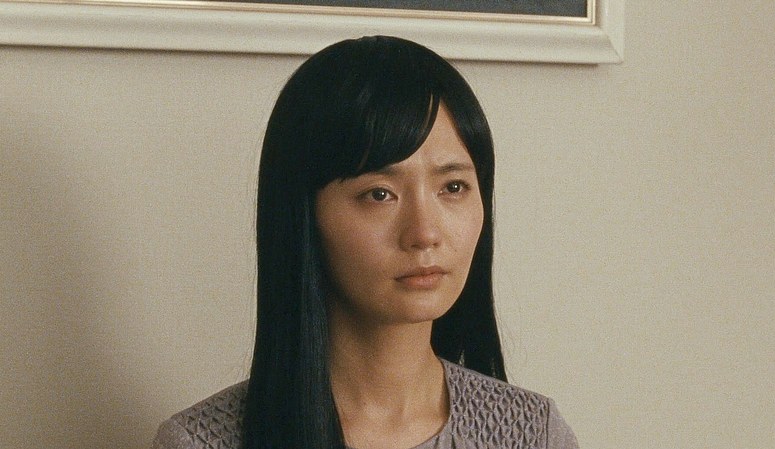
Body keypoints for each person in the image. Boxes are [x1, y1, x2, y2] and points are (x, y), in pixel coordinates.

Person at [152, 35, 578, 449]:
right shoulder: (201, 442)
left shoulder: (533, 434)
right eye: (379, 194)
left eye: (453, 187)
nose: (425, 233)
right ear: (304, 216)